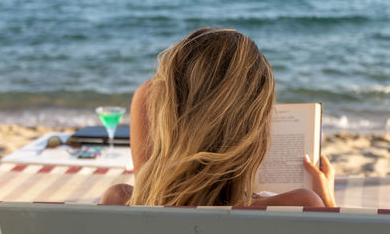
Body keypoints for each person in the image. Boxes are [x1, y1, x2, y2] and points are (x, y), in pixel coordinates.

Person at [100, 27, 336, 207]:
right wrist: (327, 204)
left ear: (166, 121)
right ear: (253, 131)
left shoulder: (118, 201)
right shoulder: (300, 204)